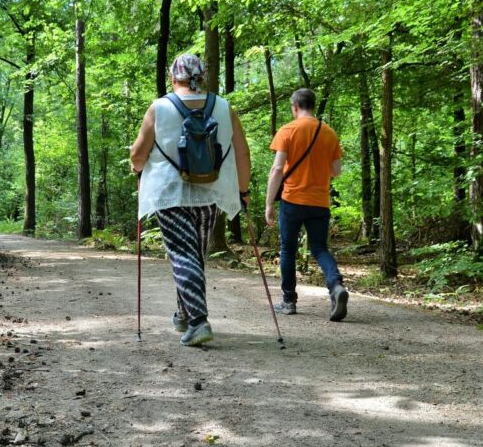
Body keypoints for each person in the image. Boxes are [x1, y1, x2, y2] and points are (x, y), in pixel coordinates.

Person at [129, 53, 251, 346]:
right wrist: (243, 192)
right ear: (202, 77)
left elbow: (138, 155)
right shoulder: (223, 107)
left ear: (174, 77)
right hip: (211, 192)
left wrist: (137, 168)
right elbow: (243, 152)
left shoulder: (159, 107)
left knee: (183, 255)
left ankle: (197, 322)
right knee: (194, 255)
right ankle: (184, 315)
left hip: (169, 194)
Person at [265, 88, 349, 321]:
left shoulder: (288, 130)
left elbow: (277, 168)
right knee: (320, 248)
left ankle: (289, 301)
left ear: (294, 107)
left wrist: (269, 203)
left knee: (288, 250)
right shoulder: (329, 133)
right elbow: (336, 171)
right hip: (320, 201)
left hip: (292, 200)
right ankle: (335, 286)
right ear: (312, 105)